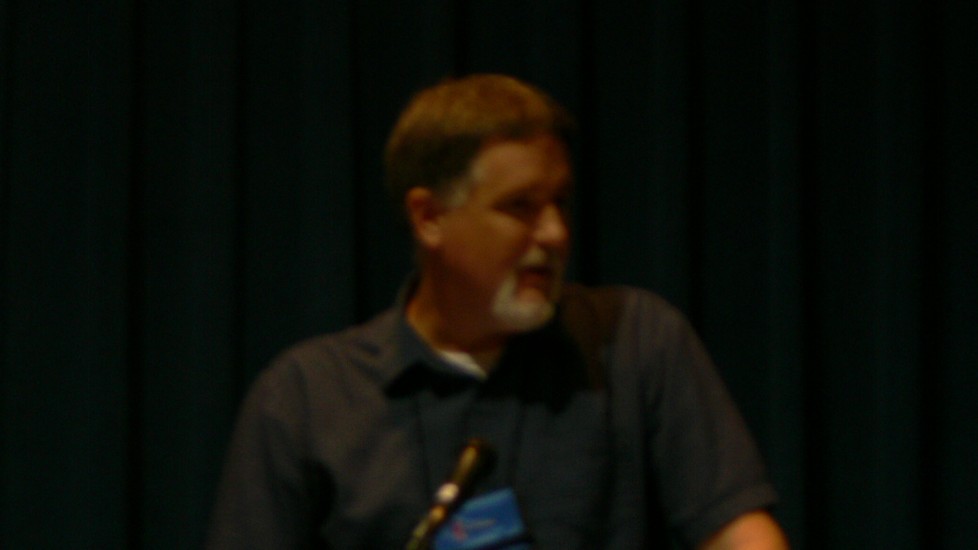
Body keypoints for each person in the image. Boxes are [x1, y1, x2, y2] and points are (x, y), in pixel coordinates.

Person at [206, 74, 789, 549]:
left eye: (560, 202)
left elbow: (740, 537)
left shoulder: (634, 343)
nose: (555, 233)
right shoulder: (307, 399)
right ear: (429, 218)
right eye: (520, 207)